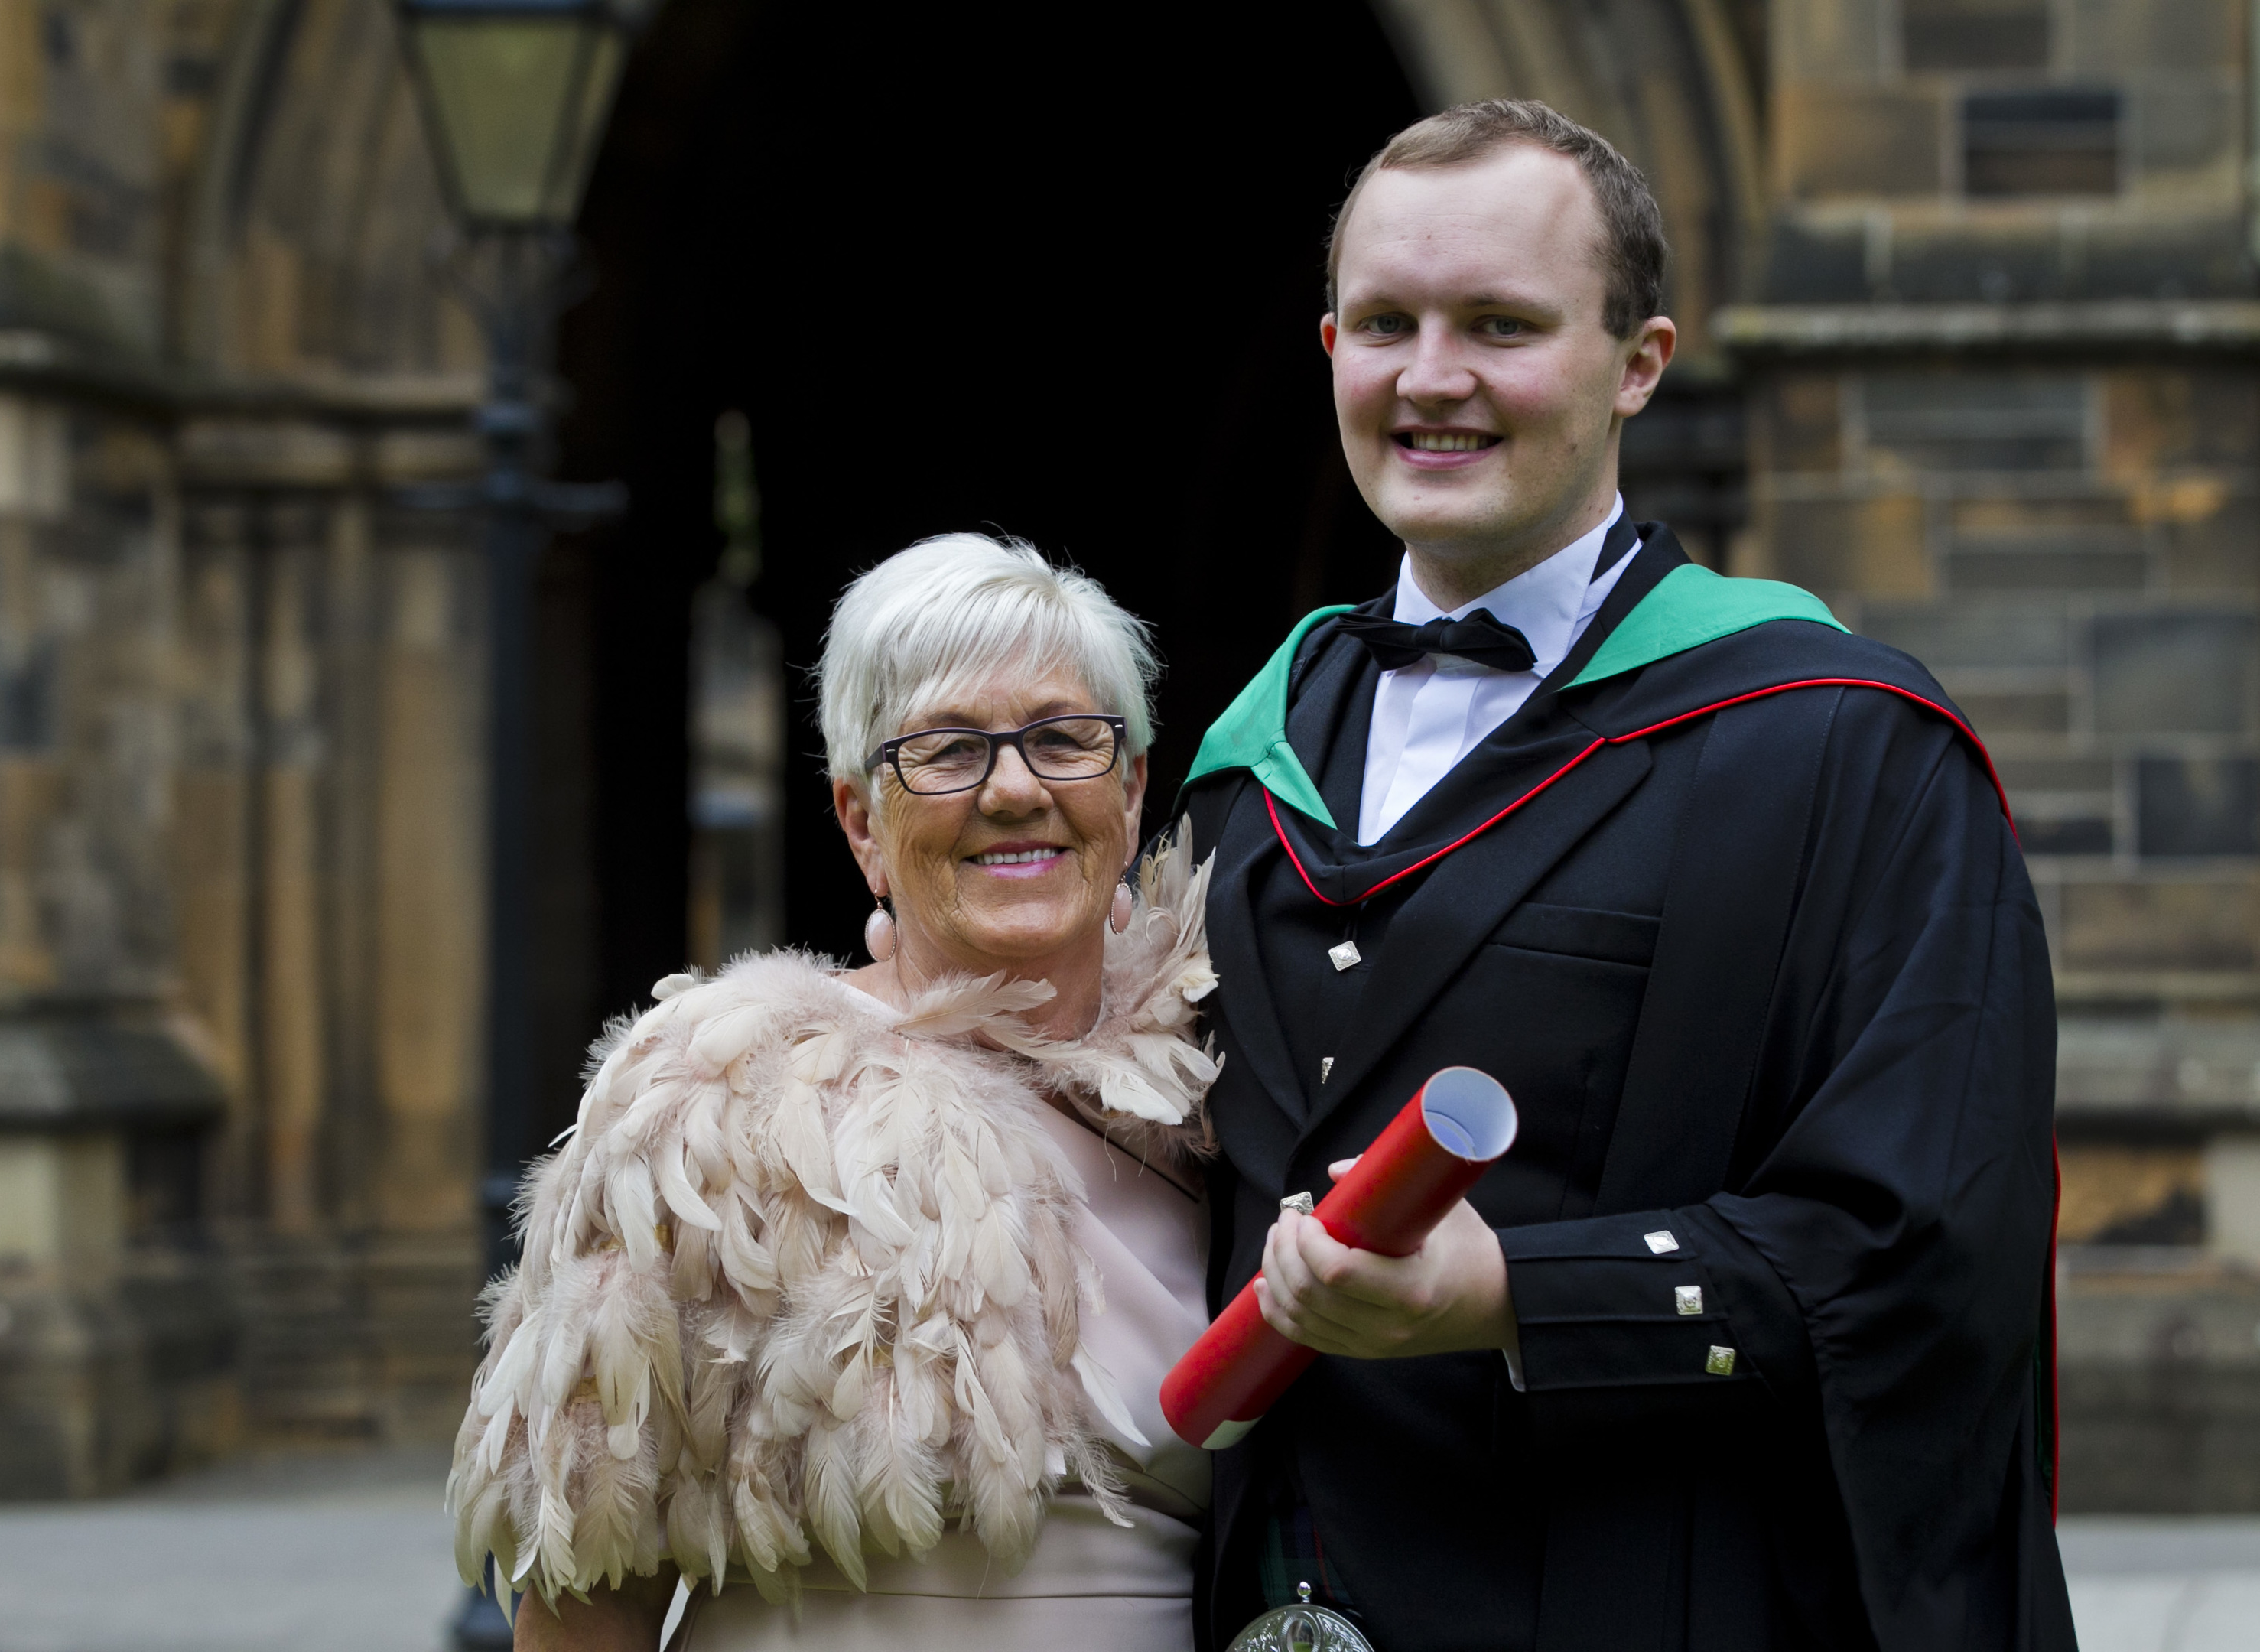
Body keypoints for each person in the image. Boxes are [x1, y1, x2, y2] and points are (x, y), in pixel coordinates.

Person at [1176, 101, 2073, 1650]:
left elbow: (1924, 1245)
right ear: (1329, 346)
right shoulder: (1244, 765)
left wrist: (1515, 1292)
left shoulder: (1840, 750)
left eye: (1502, 326)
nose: (1431, 376)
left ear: (1638, 363)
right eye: (1385, 323)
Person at [449, 533, 1221, 1650]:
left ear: (1131, 785)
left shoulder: (1226, 1094)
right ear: (862, 820)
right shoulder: (716, 1104)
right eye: (948, 751)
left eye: (1062, 740)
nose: (1014, 790)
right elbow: (585, 1598)